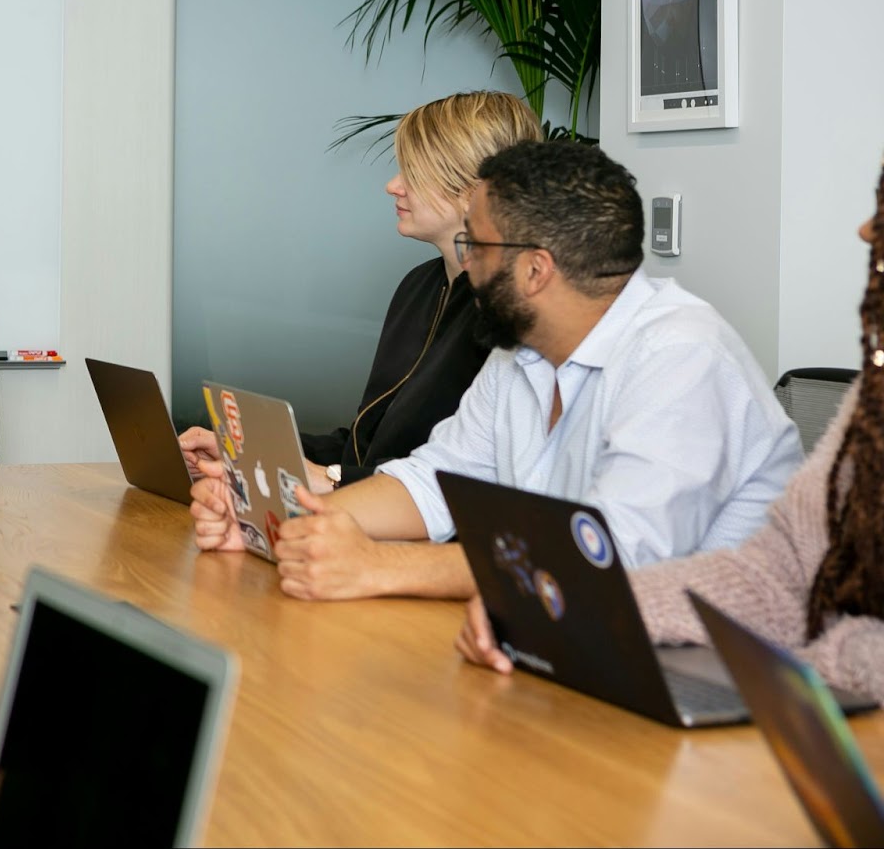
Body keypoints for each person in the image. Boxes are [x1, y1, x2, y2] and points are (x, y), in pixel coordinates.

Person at [191, 141, 803, 601]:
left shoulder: (683, 357)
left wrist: (380, 567)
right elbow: (435, 482)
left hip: (720, 680)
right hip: (583, 643)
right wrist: (276, 522)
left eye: (476, 248)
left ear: (536, 270)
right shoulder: (524, 352)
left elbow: (609, 557)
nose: (468, 267)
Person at [458, 166, 884, 702]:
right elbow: (779, 574)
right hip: (774, 690)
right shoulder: (873, 399)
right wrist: (557, 601)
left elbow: (622, 547)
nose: (866, 230)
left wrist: (824, 667)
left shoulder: (682, 349)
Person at [179, 90, 542, 490]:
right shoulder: (419, 287)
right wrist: (242, 450)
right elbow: (361, 446)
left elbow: (460, 484)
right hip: (370, 509)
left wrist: (328, 480)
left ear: (472, 187)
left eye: (413, 172)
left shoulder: (510, 313)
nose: (393, 186)